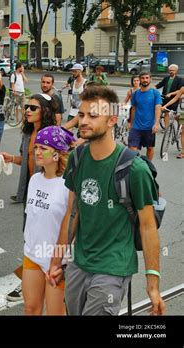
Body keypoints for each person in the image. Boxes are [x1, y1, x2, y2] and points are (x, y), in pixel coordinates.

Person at [47, 86, 165, 316]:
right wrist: (57, 259)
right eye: (81, 115)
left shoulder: (135, 168)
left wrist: (153, 285)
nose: (83, 121)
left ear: (112, 120)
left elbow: (148, 227)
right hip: (79, 264)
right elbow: (72, 213)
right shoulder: (77, 158)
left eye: (92, 116)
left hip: (113, 267)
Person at [1, 94, 57, 301]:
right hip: (30, 194)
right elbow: (26, 160)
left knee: (47, 239)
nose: (27, 111)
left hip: (49, 196)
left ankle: (31, 281)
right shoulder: (27, 134)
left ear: (45, 111)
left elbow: (62, 164)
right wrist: (12, 158)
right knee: (30, 237)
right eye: (27, 107)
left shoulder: (51, 135)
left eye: (33, 108)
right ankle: (33, 277)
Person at [22, 126, 75, 315]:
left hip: (58, 260)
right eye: (36, 147)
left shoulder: (68, 185)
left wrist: (59, 260)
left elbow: (70, 225)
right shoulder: (35, 179)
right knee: (30, 309)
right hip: (32, 254)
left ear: (57, 153)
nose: (37, 152)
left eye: (43, 148)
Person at [129, 72, 161, 161]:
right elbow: (133, 109)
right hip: (136, 126)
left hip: (149, 126)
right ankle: (134, 167)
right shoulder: (135, 94)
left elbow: (158, 108)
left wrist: (157, 123)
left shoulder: (155, 93)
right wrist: (131, 123)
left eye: (147, 78)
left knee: (150, 148)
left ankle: (148, 166)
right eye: (143, 78)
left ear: (150, 79)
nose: (145, 80)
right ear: (140, 80)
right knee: (132, 148)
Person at [155, 64, 182, 129]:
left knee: (174, 115)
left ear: (176, 71)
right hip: (165, 98)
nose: (171, 71)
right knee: (166, 113)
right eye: (170, 70)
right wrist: (152, 88)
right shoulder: (166, 78)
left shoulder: (180, 79)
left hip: (174, 99)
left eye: (173, 70)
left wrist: (171, 93)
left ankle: (179, 127)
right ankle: (166, 128)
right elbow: (159, 85)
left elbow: (180, 90)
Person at [63, 64, 86, 130]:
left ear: (80, 71)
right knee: (67, 131)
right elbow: (73, 96)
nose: (73, 73)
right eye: (72, 71)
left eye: (75, 71)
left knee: (82, 133)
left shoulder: (85, 83)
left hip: (82, 112)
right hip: (73, 111)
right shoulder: (73, 82)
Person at [163, 86, 184, 159]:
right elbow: (175, 98)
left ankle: (183, 152)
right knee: (175, 117)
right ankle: (178, 131)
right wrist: (165, 105)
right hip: (182, 111)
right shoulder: (183, 88)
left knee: (183, 131)